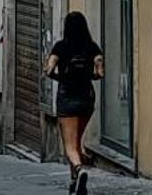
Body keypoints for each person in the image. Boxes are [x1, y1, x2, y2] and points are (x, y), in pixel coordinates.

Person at [46, 11, 106, 193]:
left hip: (67, 96)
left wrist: (59, 77)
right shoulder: (92, 47)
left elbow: (48, 69)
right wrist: (90, 75)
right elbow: (100, 73)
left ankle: (79, 171)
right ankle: (74, 180)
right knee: (77, 139)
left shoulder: (61, 47)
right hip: (86, 97)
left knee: (70, 145)